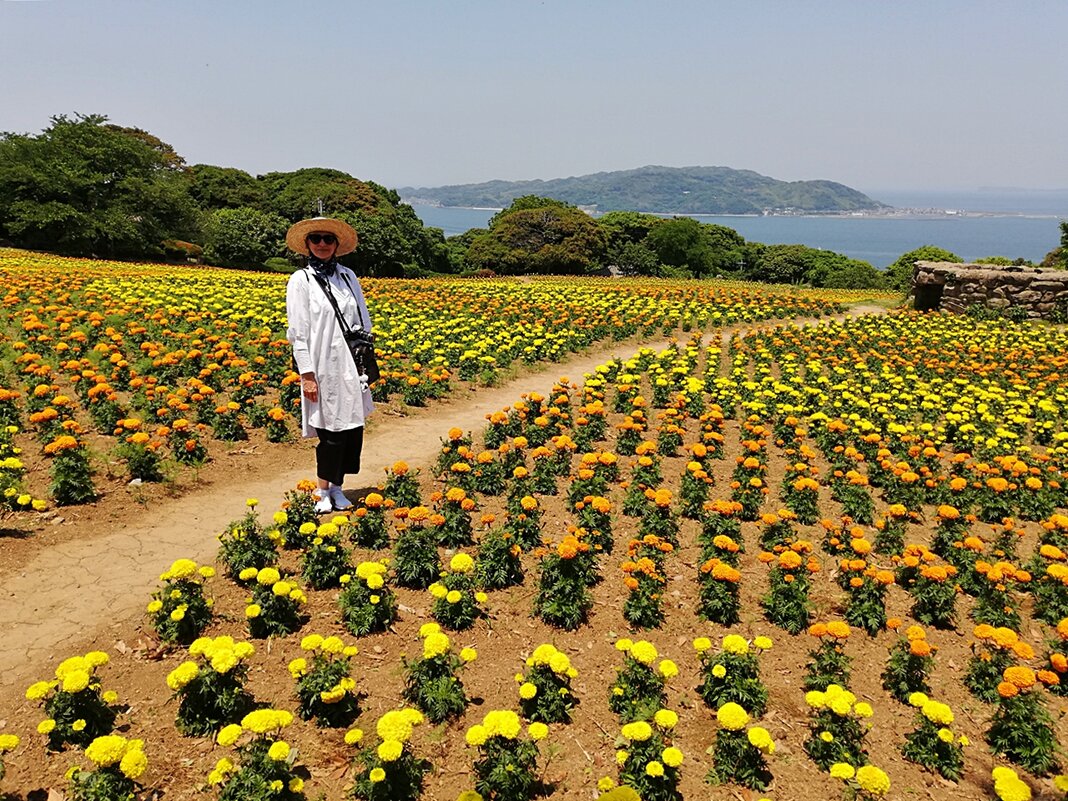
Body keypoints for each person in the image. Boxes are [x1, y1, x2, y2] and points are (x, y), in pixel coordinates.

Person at [284, 216, 375, 513]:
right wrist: (307, 374)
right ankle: (322, 491)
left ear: (337, 244)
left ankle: (338, 487)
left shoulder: (348, 276)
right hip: (322, 365)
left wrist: (365, 358)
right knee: (331, 433)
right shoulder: (301, 280)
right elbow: (298, 331)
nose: (322, 244)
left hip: (350, 363)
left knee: (351, 430)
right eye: (316, 239)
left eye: (328, 239)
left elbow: (364, 318)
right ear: (307, 245)